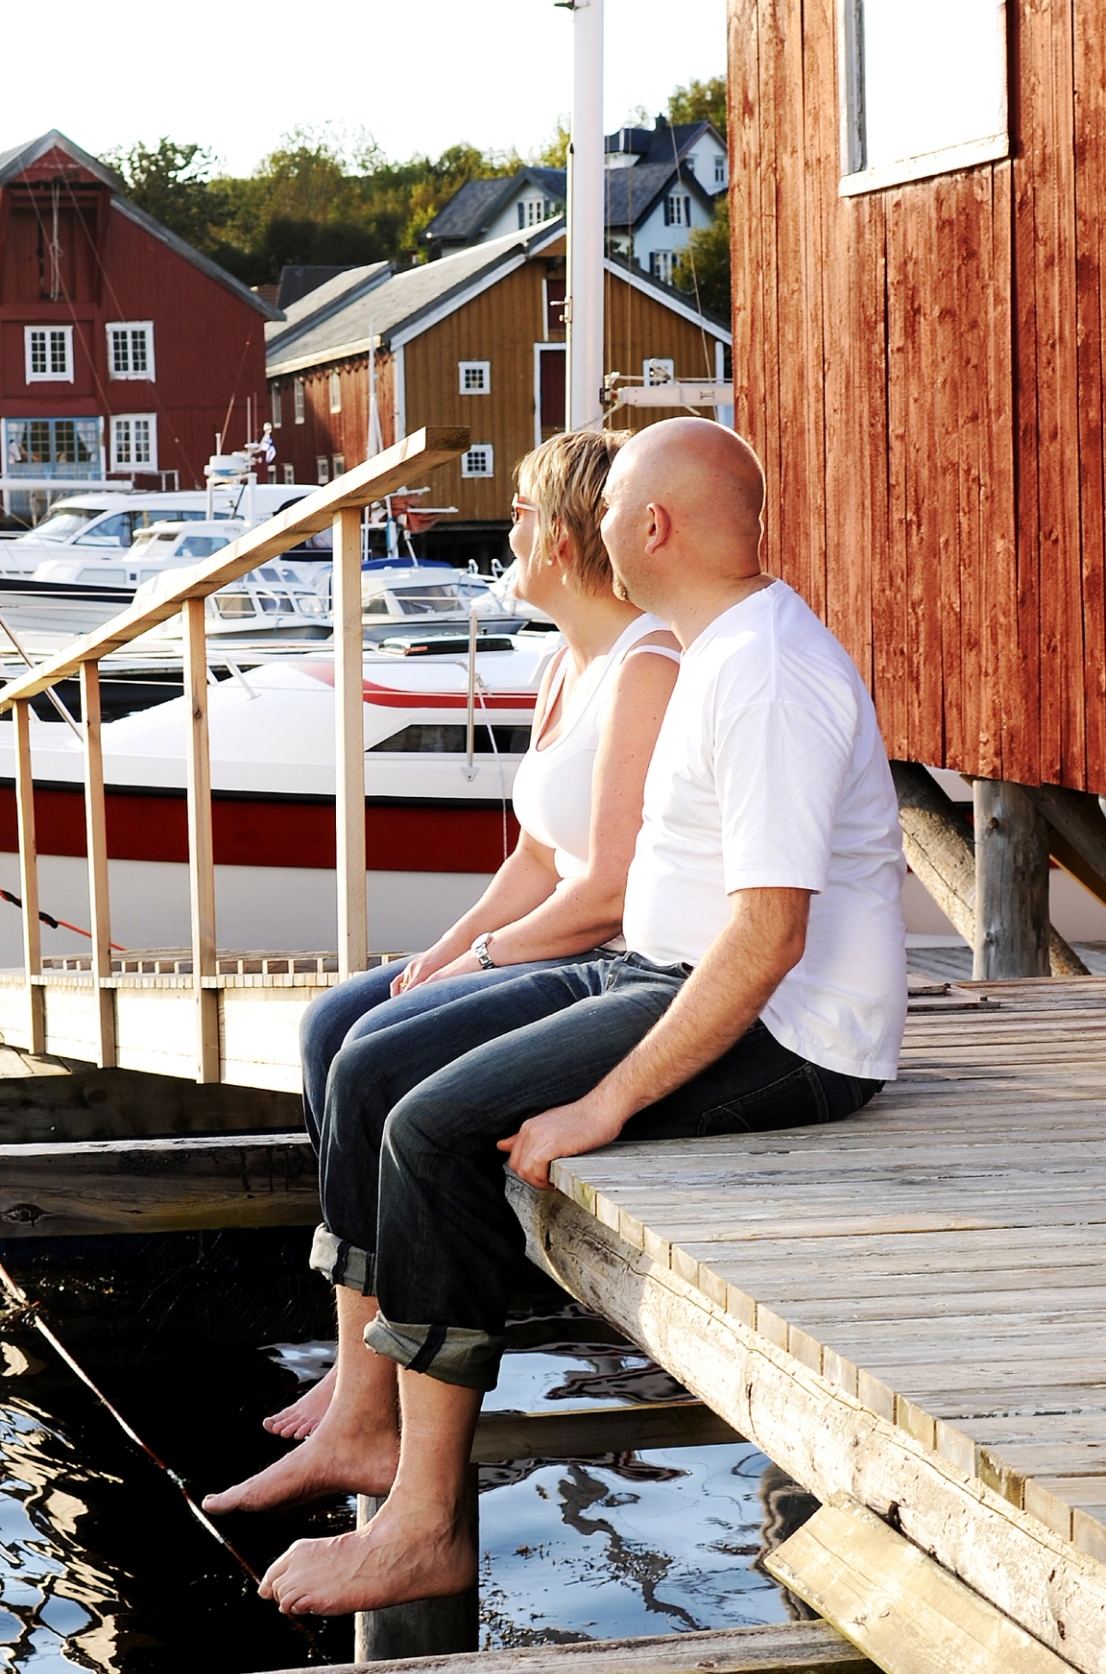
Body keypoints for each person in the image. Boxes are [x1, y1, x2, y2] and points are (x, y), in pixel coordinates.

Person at [251, 417, 912, 1617]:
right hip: (654, 971)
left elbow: (769, 940)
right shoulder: (708, 644)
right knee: (375, 1057)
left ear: (653, 528)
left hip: (797, 1039)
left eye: (614, 511)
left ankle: (427, 1523)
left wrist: (604, 1103)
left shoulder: (765, 670)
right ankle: (370, 1422)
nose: (596, 523)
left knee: (432, 1131)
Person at [206, 429, 682, 1503]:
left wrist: (477, 961)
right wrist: (438, 955)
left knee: (377, 1064)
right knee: (335, 1022)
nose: (504, 530)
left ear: (563, 540)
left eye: (519, 513)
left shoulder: (648, 665)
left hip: (609, 967)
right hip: (549, 944)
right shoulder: (571, 660)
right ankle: (356, 1358)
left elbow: (603, 890)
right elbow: (535, 857)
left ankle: (374, 1411)